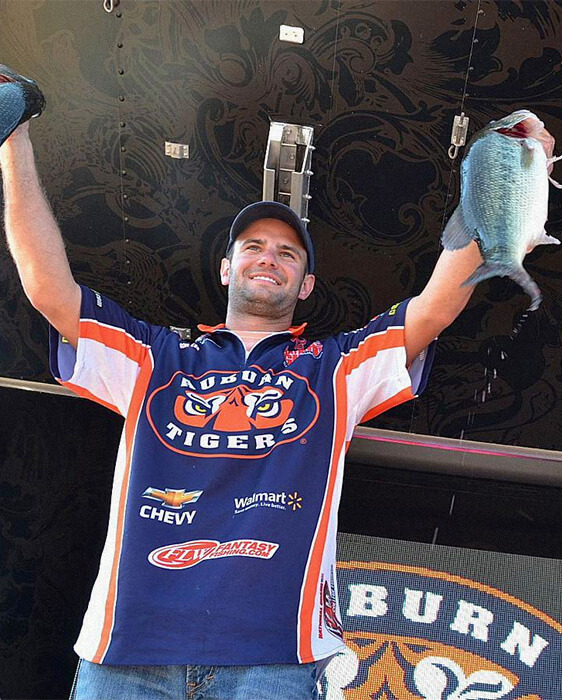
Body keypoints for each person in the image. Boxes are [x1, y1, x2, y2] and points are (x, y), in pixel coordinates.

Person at [0, 66, 496, 699]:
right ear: (228, 268)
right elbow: (49, 290)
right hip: (128, 649)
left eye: (288, 254)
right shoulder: (158, 356)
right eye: (255, 247)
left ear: (306, 284)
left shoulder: (335, 366)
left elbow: (434, 306)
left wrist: (495, 178)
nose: (270, 258)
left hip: (276, 657)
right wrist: (12, 137)